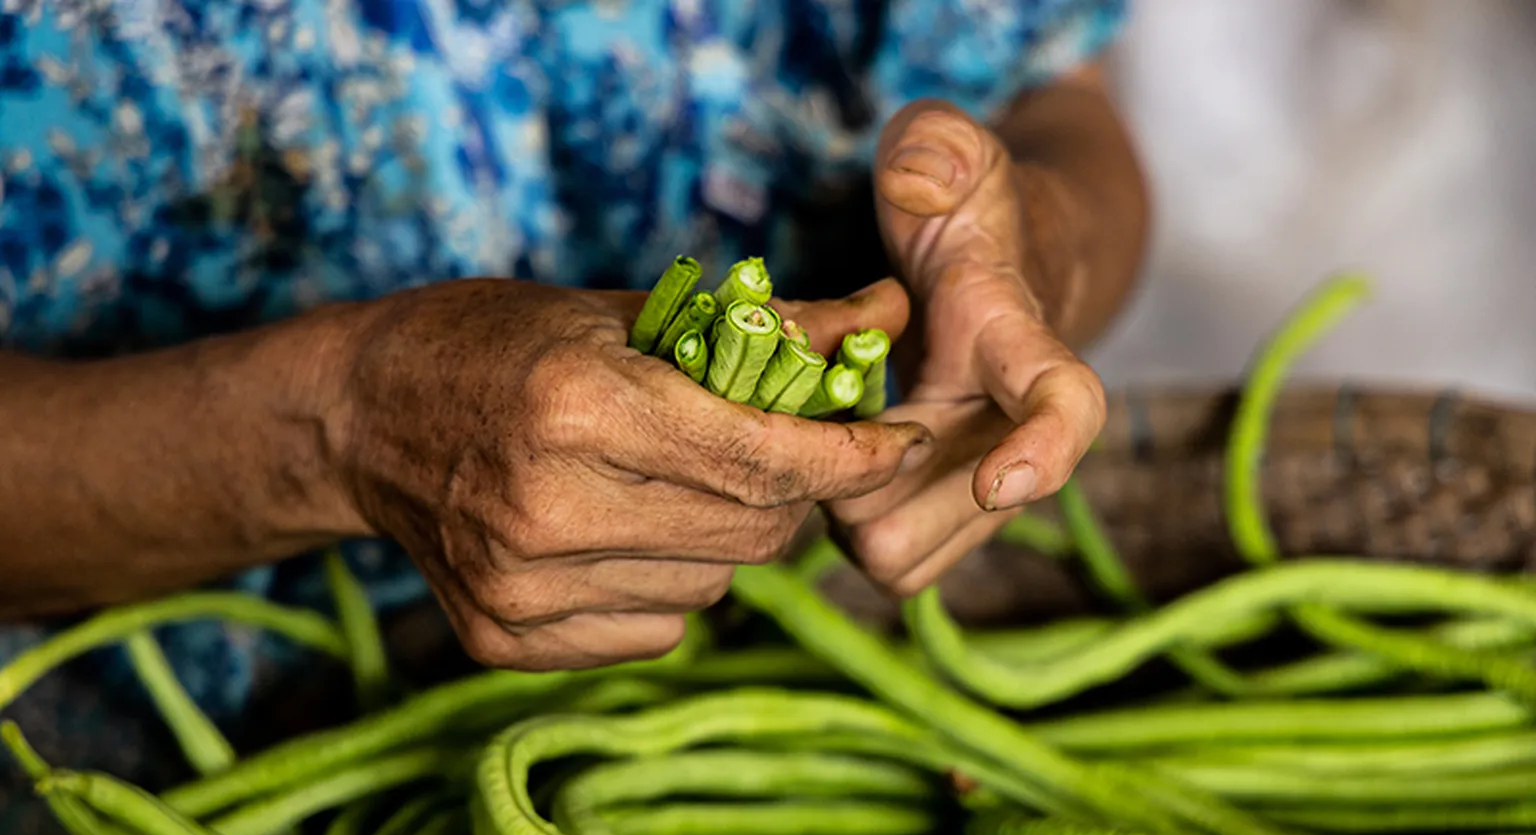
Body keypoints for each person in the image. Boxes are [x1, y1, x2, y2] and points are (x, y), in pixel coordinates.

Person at [0, 1, 1144, 725]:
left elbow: (1057, 96)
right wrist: (338, 428)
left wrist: (1018, 249)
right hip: (122, 735)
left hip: (766, 660)